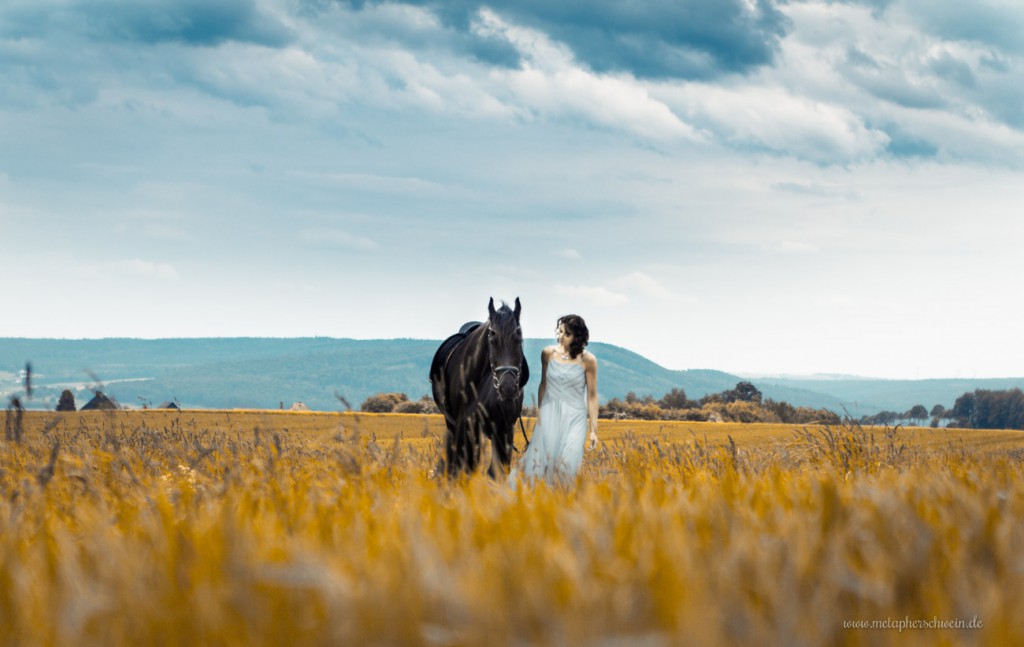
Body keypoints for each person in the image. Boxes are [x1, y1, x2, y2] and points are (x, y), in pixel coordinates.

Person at [510, 314, 599, 487]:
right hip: (549, 416)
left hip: (575, 419)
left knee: (567, 467)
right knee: (539, 466)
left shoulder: (589, 360)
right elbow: (543, 385)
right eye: (559, 332)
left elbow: (592, 396)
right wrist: (540, 416)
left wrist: (594, 430)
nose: (560, 337)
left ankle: (564, 504)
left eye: (566, 334)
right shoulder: (547, 354)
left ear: (577, 337)